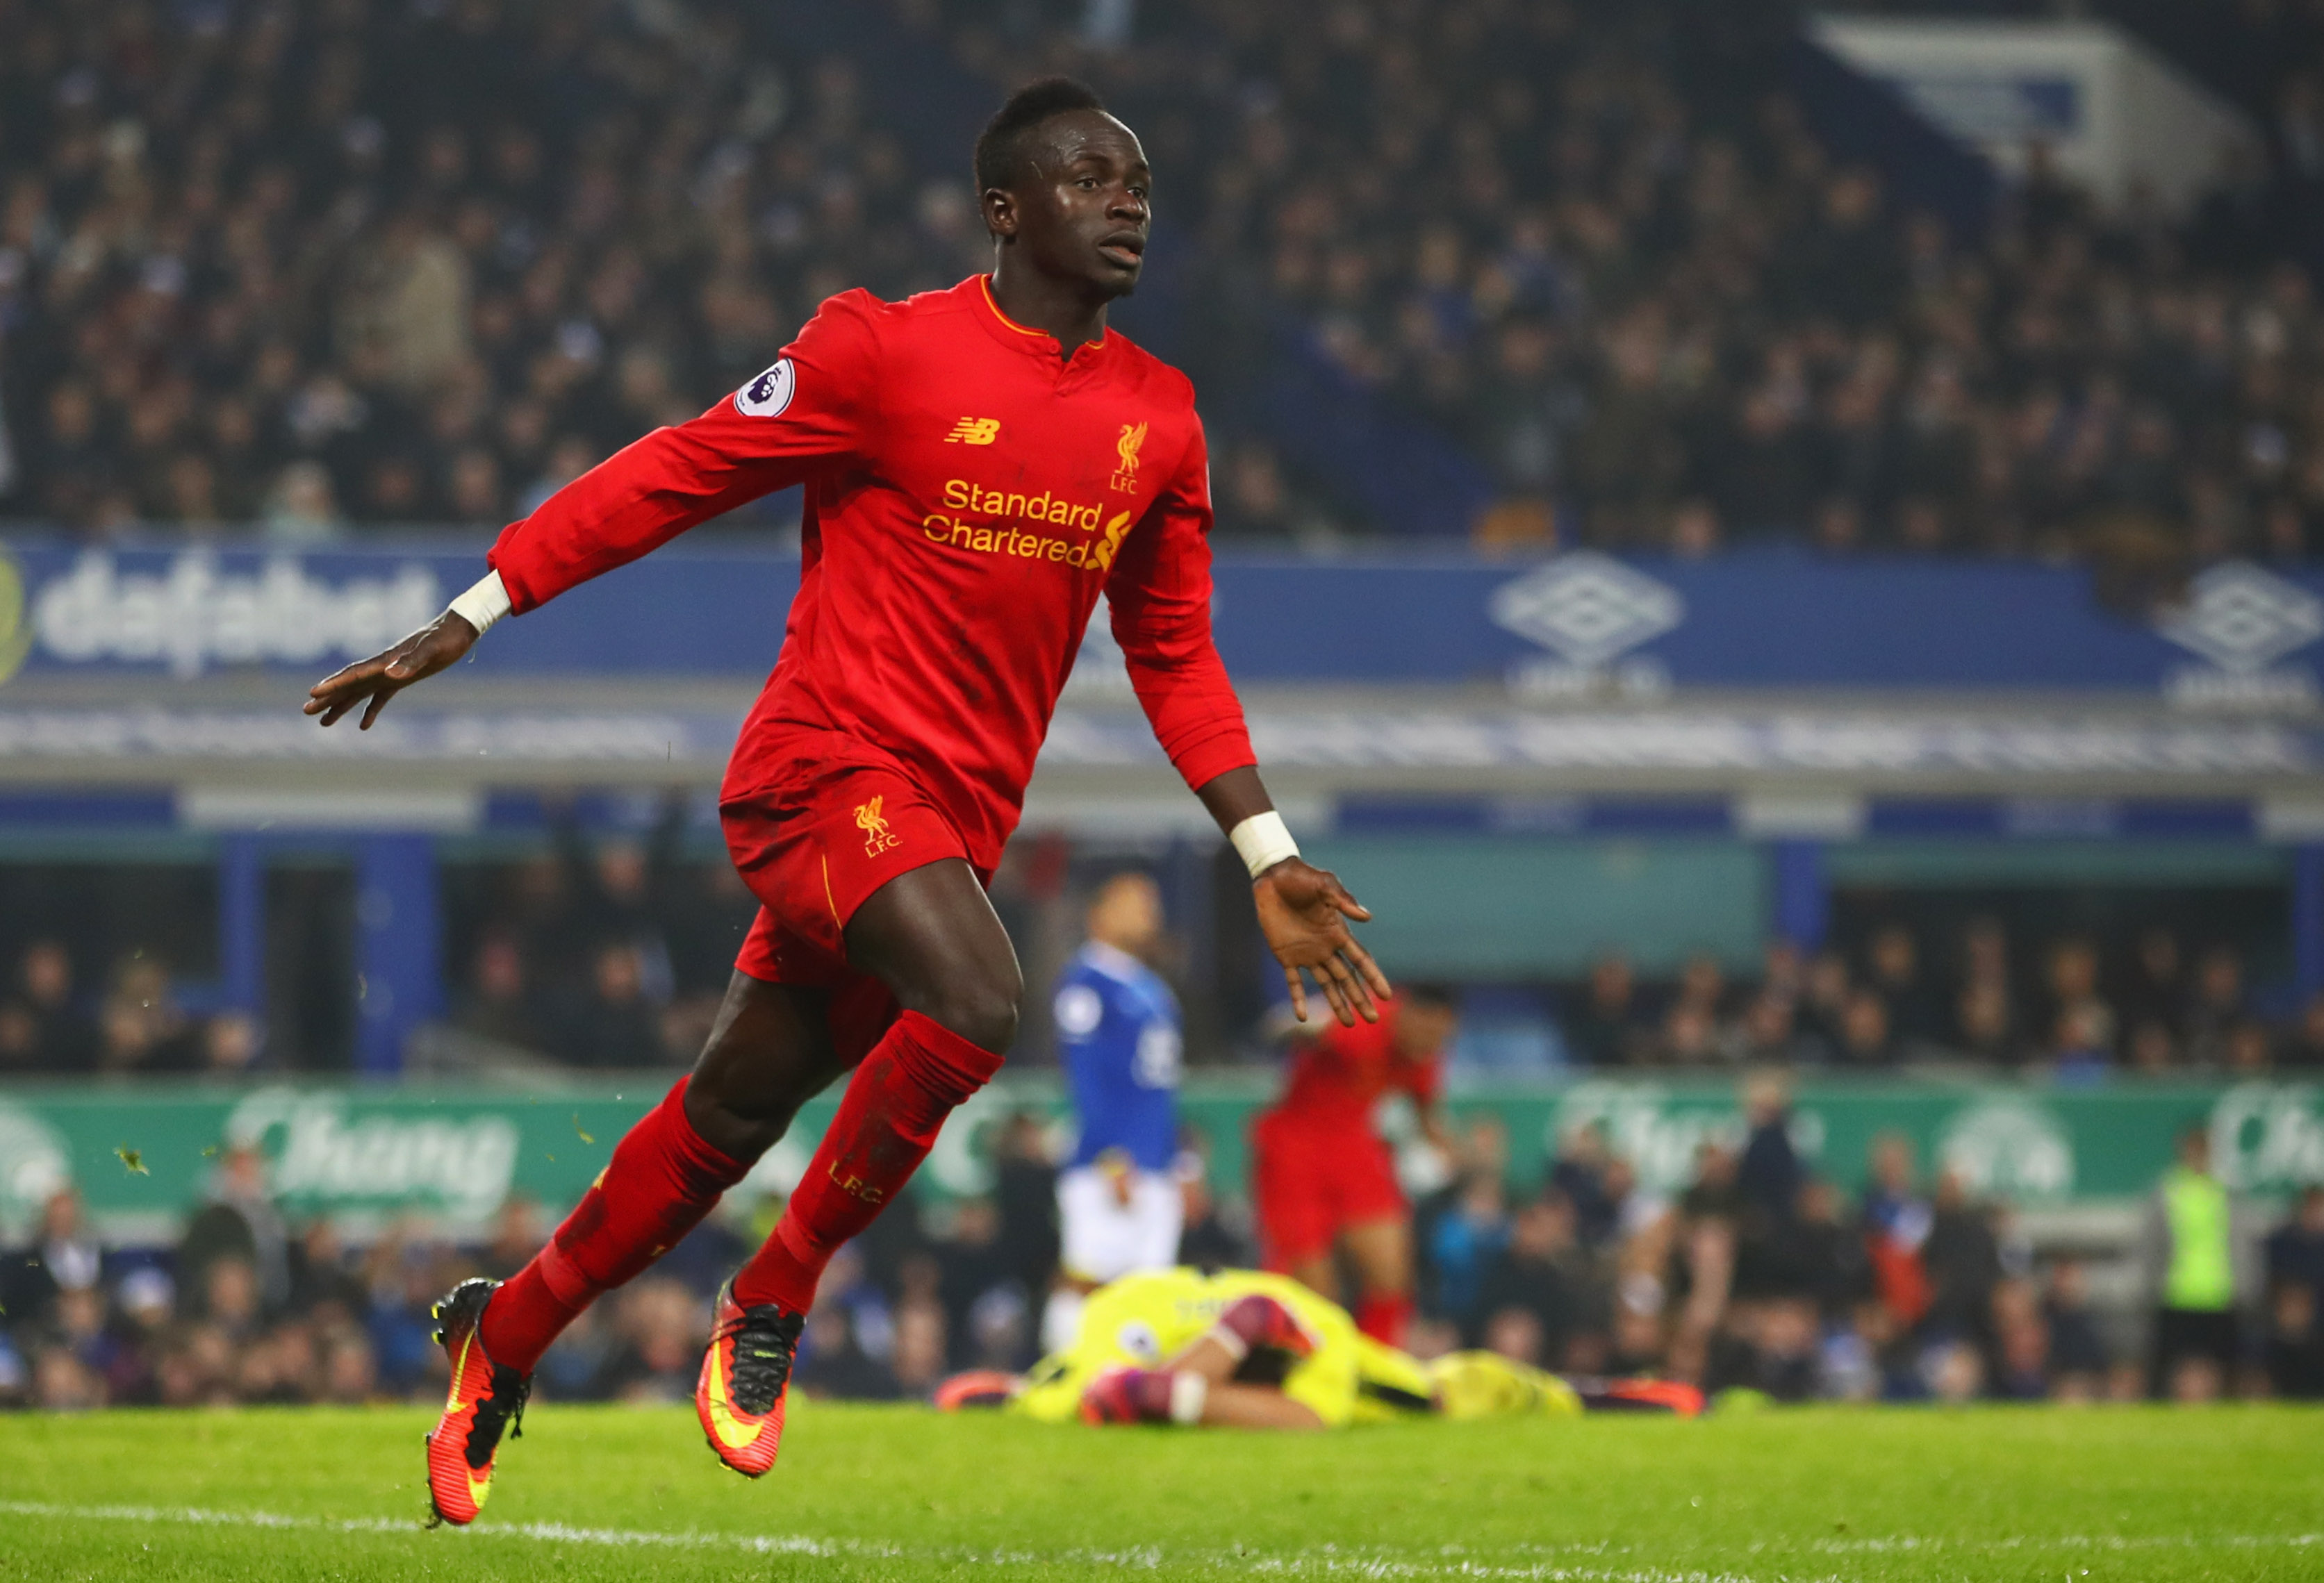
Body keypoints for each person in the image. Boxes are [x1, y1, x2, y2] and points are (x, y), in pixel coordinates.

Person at [304, 77, 1389, 1526]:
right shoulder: (881, 350)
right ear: (1006, 210)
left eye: (1136, 181)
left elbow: (1174, 651)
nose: (1126, 200)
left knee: (728, 1113)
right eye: (1087, 177)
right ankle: (775, 1293)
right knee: (980, 998)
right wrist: (478, 606)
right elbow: (675, 471)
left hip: (948, 822)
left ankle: (502, 1332)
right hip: (821, 771)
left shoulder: (1159, 420)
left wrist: (1266, 850)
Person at [935, 1266, 1701, 1430]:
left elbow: (1310, 1419)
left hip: (1283, 1319)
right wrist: (1173, 1391)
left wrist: (1171, 1395)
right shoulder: (1127, 1311)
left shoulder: (1319, 1335)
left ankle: (1597, 1393)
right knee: (1063, 1390)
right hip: (1170, 1320)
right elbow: (1106, 1391)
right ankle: (1003, 1386)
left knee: (1437, 1392)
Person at [1248, 984, 1457, 1347]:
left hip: (1355, 1149)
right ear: (1407, 1014)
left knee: (1392, 1277)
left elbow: (1426, 1111)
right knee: (1314, 1295)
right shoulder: (1364, 1021)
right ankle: (1318, 1375)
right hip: (1295, 1152)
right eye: (1428, 1033)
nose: (1431, 1045)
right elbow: (1288, 1028)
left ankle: (1374, 1371)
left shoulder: (1424, 1051)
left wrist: (1452, 1149)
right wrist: (1299, 1024)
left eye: (1442, 1037)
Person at [1044, 872, 1185, 1352]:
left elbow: (1160, 1089)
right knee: (1088, 1273)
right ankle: (1061, 1369)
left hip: (1154, 1162)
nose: (1150, 913)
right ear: (1099, 913)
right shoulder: (1086, 983)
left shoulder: (1148, 985)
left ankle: (1130, 1389)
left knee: (1149, 1288)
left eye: (1152, 902)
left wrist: (1179, 1160)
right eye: (1135, 903)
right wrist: (1111, 1157)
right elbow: (1085, 1079)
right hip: (1107, 1163)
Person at [2140, 1126, 2242, 1401]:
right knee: (2171, 1365)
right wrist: (2151, 1286)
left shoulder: (2223, 1191)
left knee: (2221, 1366)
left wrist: (2242, 1285)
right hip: (2177, 1291)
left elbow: (2238, 1243)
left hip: (2218, 1290)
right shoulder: (2169, 1189)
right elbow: (2153, 1244)